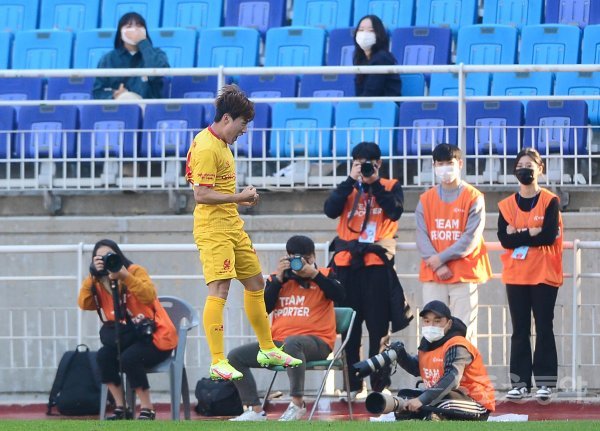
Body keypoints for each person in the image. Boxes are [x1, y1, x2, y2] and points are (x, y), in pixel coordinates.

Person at [185, 84, 302, 381]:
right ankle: (217, 361)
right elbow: (201, 194)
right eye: (242, 123)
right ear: (227, 118)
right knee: (220, 289)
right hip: (213, 229)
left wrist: (239, 200)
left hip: (232, 224)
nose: (244, 130)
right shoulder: (206, 147)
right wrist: (239, 197)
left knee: (256, 282)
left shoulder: (221, 143)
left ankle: (267, 348)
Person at [324, 141, 412, 398]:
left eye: (368, 164)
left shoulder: (390, 186)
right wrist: (351, 181)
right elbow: (330, 210)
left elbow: (395, 212)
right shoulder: (348, 187)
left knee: (379, 330)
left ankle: (379, 386)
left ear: (378, 164)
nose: (363, 168)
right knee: (350, 330)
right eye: (358, 163)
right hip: (347, 265)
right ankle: (352, 386)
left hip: (376, 267)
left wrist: (374, 183)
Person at [227, 235, 345, 421]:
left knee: (293, 343)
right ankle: (255, 410)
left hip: (317, 343)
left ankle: (297, 404)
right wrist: (278, 281)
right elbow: (263, 309)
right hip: (279, 344)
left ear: (313, 257)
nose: (299, 264)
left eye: (305, 259)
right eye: (294, 259)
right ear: (288, 257)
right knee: (235, 357)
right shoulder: (278, 279)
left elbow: (340, 295)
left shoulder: (325, 274)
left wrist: (314, 275)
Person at [78, 239, 178, 420]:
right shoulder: (98, 281)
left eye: (109, 256)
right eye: (100, 258)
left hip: (155, 337)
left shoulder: (135, 271)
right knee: (103, 356)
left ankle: (147, 408)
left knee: (129, 358)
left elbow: (149, 296)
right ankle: (121, 407)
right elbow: (85, 303)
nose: (105, 261)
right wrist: (92, 276)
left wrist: (125, 276)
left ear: (118, 255)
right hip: (126, 338)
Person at [497, 148, 563, 401]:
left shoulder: (550, 201)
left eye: (529, 165)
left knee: (544, 327)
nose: (524, 169)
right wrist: (531, 232)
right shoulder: (506, 205)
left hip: (544, 274)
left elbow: (548, 235)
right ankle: (520, 383)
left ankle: (545, 383)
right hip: (516, 275)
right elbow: (504, 240)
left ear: (540, 169)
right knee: (519, 330)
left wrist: (519, 234)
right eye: (520, 166)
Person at [416, 143, 492, 345]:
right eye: (440, 163)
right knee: (432, 330)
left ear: (460, 164)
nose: (444, 168)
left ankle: (462, 367)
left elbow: (470, 238)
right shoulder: (426, 199)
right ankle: (433, 366)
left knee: (463, 331)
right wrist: (437, 264)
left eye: (449, 163)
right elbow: (421, 236)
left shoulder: (473, 197)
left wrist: (440, 259)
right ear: (434, 166)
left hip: (464, 274)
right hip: (434, 275)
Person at [388, 300, 495, 421]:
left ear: (449, 323)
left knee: (442, 399)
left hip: (475, 401)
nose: (431, 325)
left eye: (437, 321)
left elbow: (452, 379)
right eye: (427, 321)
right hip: (442, 396)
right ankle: (429, 415)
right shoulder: (427, 344)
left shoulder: (457, 344)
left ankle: (432, 415)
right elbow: (416, 368)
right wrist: (400, 355)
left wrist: (421, 400)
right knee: (404, 396)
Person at [92, 12, 169, 100]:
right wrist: (114, 95)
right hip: (119, 106)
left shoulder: (157, 54)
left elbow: (158, 73)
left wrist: (143, 42)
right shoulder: (108, 59)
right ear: (120, 34)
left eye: (139, 26)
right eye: (129, 26)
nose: (135, 30)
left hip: (148, 105)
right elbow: (98, 92)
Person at [353, 15, 401, 98]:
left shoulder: (382, 58)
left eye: (371, 31)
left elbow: (371, 92)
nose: (364, 34)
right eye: (361, 30)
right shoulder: (361, 59)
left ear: (379, 34)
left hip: (383, 104)